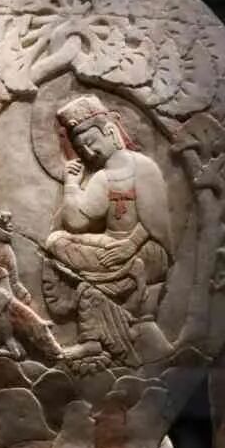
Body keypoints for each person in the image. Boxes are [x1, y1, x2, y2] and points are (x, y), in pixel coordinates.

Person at [45, 94, 172, 364]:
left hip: (146, 250)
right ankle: (93, 341)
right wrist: (71, 185)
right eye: (81, 148)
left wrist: (131, 245)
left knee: (95, 272)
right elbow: (76, 222)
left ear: (111, 131)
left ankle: (111, 321)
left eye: (91, 142)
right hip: (112, 247)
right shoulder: (102, 177)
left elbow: (157, 223)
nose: (89, 152)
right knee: (56, 241)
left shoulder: (144, 167)